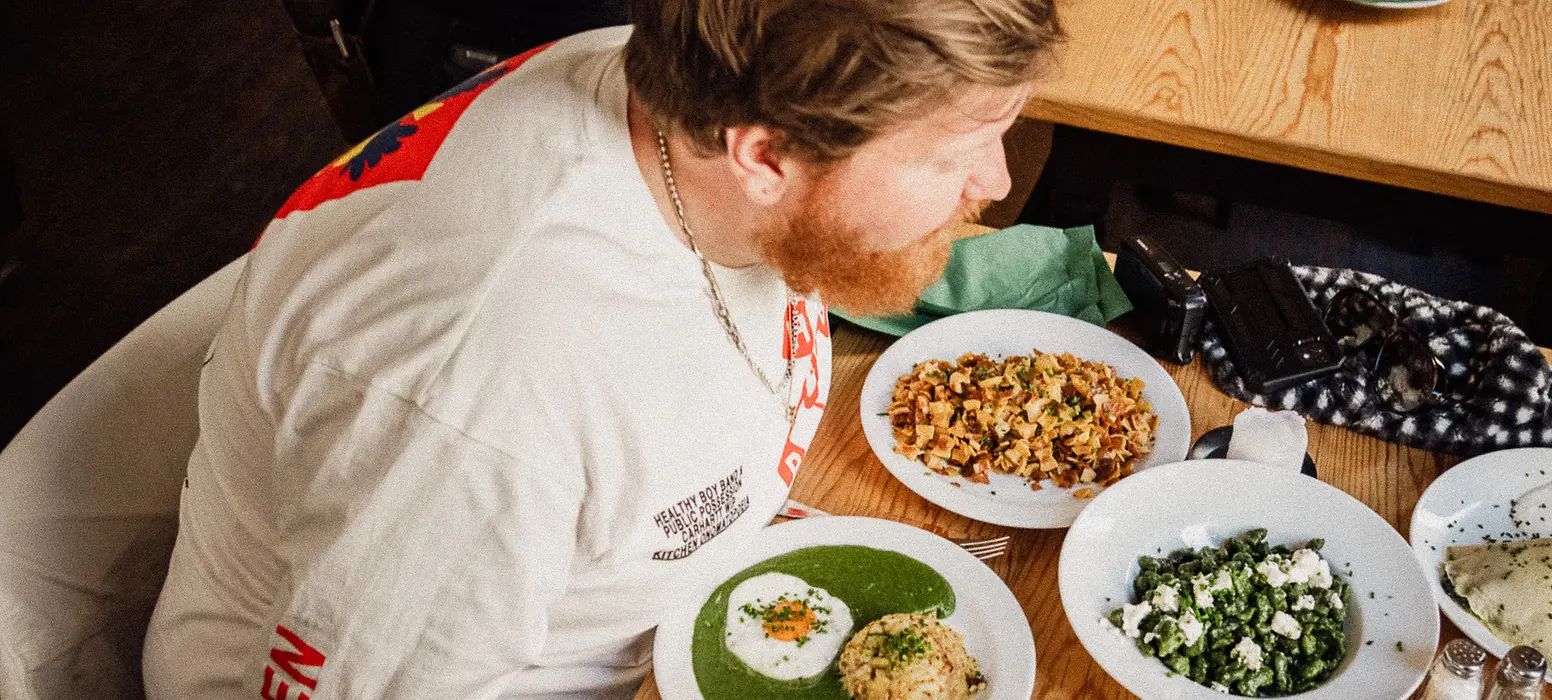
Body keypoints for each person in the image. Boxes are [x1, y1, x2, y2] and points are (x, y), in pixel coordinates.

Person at [141, 1, 1061, 697]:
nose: (997, 182)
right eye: (957, 152)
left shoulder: (686, 91)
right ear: (765, 156)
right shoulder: (489, 400)